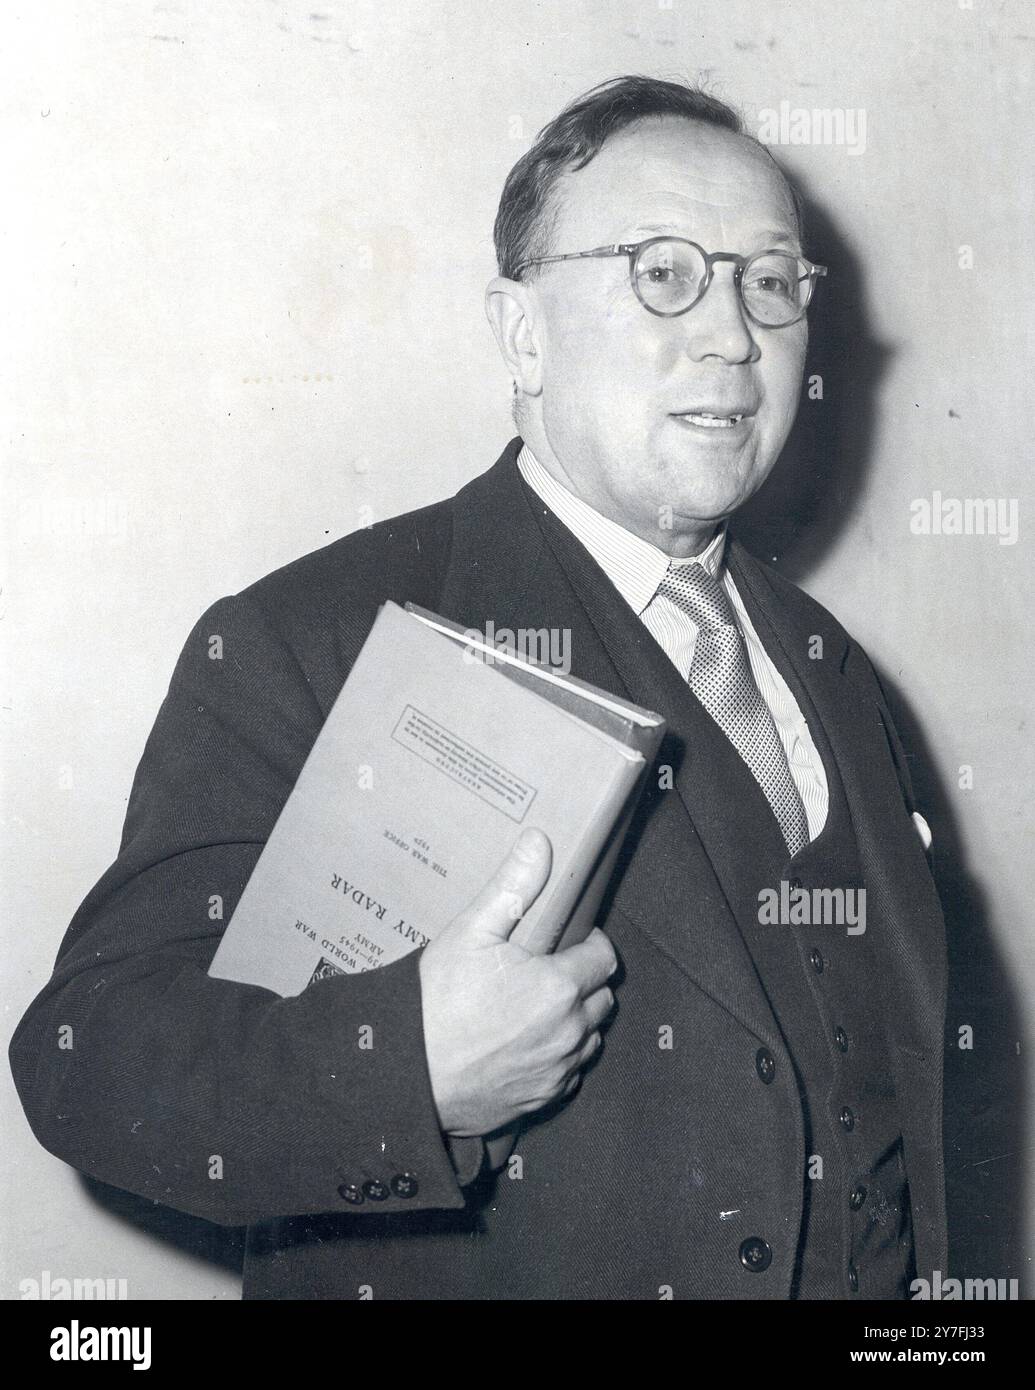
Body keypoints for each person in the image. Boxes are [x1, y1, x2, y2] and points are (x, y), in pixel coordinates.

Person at [10, 75, 947, 1300]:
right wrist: (407, 1065)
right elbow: (91, 1065)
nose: (732, 333)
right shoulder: (313, 636)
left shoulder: (837, 673)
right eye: (664, 271)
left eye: (769, 280)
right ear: (521, 332)